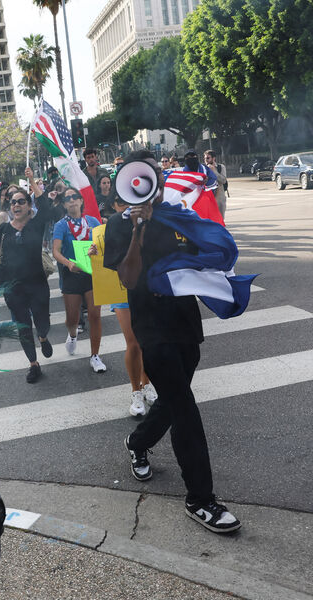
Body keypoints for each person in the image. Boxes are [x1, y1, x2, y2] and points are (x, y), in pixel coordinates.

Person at [101, 149, 240, 534]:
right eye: (143, 177)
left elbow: (201, 257)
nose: (152, 183)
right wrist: (138, 230)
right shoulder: (118, 225)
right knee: (184, 409)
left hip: (184, 322)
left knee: (174, 399)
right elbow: (129, 278)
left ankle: (137, 441)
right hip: (152, 328)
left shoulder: (178, 216)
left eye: (156, 176)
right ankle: (200, 499)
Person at [0, 167, 52, 384]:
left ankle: (43, 336)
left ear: (28, 206)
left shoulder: (36, 225)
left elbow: (46, 207)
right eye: (13, 202)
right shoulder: (4, 230)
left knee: (42, 322)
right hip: (13, 288)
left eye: (21, 201)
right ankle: (33, 364)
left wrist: (32, 180)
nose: (16, 205)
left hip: (37, 285)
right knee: (23, 326)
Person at [105, 198, 157, 415]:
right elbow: (109, 256)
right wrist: (93, 250)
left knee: (148, 341)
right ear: (115, 204)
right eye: (121, 201)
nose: (127, 205)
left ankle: (147, 384)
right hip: (121, 290)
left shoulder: (154, 217)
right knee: (133, 342)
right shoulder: (114, 223)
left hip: (147, 289)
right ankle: (136, 391)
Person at [52, 187, 105, 373]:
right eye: (68, 199)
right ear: (64, 204)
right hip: (71, 274)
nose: (72, 200)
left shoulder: (92, 221)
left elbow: (102, 244)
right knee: (72, 318)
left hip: (91, 273)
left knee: (95, 315)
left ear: (81, 200)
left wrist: (97, 250)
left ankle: (95, 356)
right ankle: (72, 335)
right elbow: (56, 251)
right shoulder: (61, 225)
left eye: (75, 197)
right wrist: (68, 264)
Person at [204, 150, 228, 219]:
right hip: (208, 198)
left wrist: (214, 171)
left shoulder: (221, 167)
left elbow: (223, 180)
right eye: (205, 158)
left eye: (208, 158)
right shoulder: (203, 168)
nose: (206, 160)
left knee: (220, 220)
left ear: (213, 158)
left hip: (219, 199)